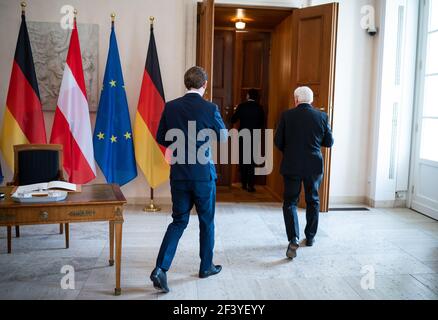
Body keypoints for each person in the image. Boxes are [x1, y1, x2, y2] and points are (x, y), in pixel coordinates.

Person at [150, 66, 227, 293]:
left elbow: (161, 136)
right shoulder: (210, 108)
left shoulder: (171, 107)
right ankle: (206, 267)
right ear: (204, 85)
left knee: (179, 221)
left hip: (180, 175)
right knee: (206, 221)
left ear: (187, 84)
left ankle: (160, 269)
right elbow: (222, 137)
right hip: (203, 175)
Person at [274, 86, 334, 260]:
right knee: (313, 200)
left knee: (290, 202)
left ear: (296, 99)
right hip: (314, 166)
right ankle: (310, 237)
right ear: (312, 100)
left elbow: (278, 141)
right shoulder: (322, 116)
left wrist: (291, 150)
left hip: (291, 165)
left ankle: (293, 238)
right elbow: (329, 142)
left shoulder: (286, 115)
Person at [231, 89, 265, 192]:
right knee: (252, 161)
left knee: (243, 159)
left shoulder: (242, 106)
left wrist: (235, 110)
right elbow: (262, 123)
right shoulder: (260, 108)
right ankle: (251, 184)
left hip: (243, 135)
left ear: (248, 95)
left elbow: (233, 120)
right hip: (255, 135)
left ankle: (244, 183)